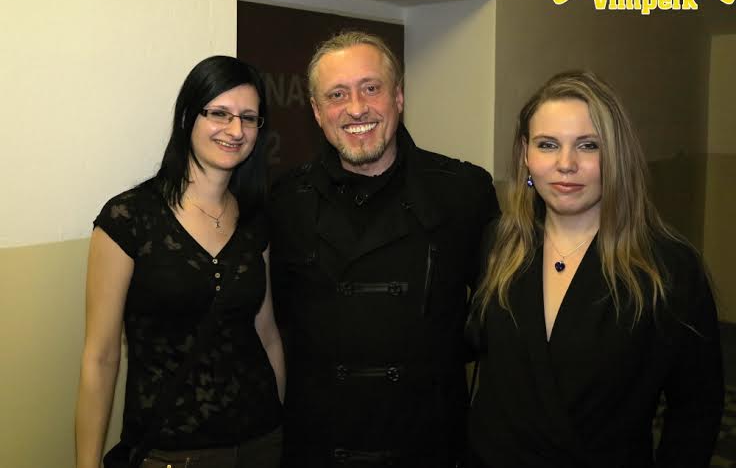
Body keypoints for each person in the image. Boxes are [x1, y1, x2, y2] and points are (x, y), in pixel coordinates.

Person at [467, 71, 723, 468]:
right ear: (525, 155)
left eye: (588, 145)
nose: (566, 164)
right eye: (548, 144)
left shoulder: (667, 268)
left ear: (616, 156)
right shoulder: (499, 244)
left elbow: (696, 409)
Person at [268, 31, 501, 467]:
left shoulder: (463, 192)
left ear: (398, 96)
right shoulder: (284, 202)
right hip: (319, 449)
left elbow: (499, 323)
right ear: (317, 112)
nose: (356, 108)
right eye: (337, 94)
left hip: (429, 448)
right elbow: (267, 329)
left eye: (370, 88)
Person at [75, 56, 284, 468]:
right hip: (169, 452)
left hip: (262, 443)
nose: (236, 130)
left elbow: (267, 334)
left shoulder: (255, 219)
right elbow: (100, 357)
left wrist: (281, 424)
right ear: (188, 117)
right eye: (219, 114)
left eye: (248, 118)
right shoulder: (129, 218)